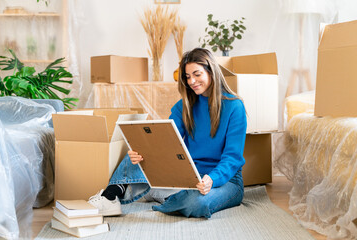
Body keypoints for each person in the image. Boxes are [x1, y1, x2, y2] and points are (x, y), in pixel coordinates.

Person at [88, 48, 247, 218]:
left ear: (211, 71)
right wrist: (143, 152)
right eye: (187, 77)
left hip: (226, 180)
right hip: (189, 176)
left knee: (198, 203)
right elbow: (164, 140)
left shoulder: (234, 106)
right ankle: (111, 196)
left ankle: (160, 194)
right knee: (144, 148)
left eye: (197, 74)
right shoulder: (184, 106)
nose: (192, 81)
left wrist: (212, 179)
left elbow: (232, 158)